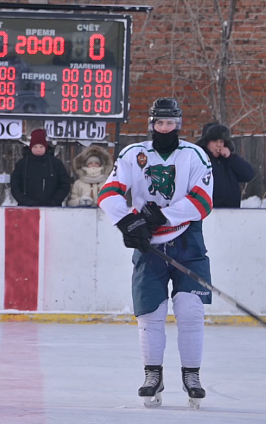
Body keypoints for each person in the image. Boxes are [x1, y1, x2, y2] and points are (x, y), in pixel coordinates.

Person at [97, 98, 214, 410]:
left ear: (178, 123)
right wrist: (128, 222)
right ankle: (153, 375)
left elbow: (202, 200)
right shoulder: (133, 154)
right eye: (159, 123)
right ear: (151, 124)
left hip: (188, 241)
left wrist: (164, 216)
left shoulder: (194, 155)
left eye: (170, 123)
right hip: (149, 246)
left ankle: (192, 375)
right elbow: (108, 194)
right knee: (150, 314)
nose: (165, 128)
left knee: (191, 311)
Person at [196, 124, 254, 208]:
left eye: (221, 142)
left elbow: (248, 175)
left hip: (231, 211)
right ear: (207, 143)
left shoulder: (230, 161)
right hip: (208, 211)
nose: (219, 145)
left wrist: (231, 158)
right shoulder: (200, 160)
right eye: (215, 141)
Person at [10, 129, 71, 206]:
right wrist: (25, 201)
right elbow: (15, 186)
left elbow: (64, 184)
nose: (38, 150)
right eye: (35, 147)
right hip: (27, 208)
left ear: (45, 147)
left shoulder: (56, 163)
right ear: (31, 147)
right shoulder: (22, 164)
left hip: (52, 208)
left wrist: (54, 201)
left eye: (41, 146)